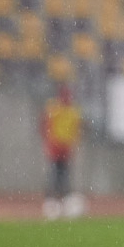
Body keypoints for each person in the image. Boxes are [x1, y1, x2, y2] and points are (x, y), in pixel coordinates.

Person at [40, 83, 83, 219]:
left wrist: (73, 143)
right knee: (54, 173)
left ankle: (62, 198)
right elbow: (46, 125)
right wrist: (48, 142)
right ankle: (51, 199)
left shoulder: (72, 110)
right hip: (55, 146)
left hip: (66, 147)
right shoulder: (54, 108)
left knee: (63, 173)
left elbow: (76, 128)